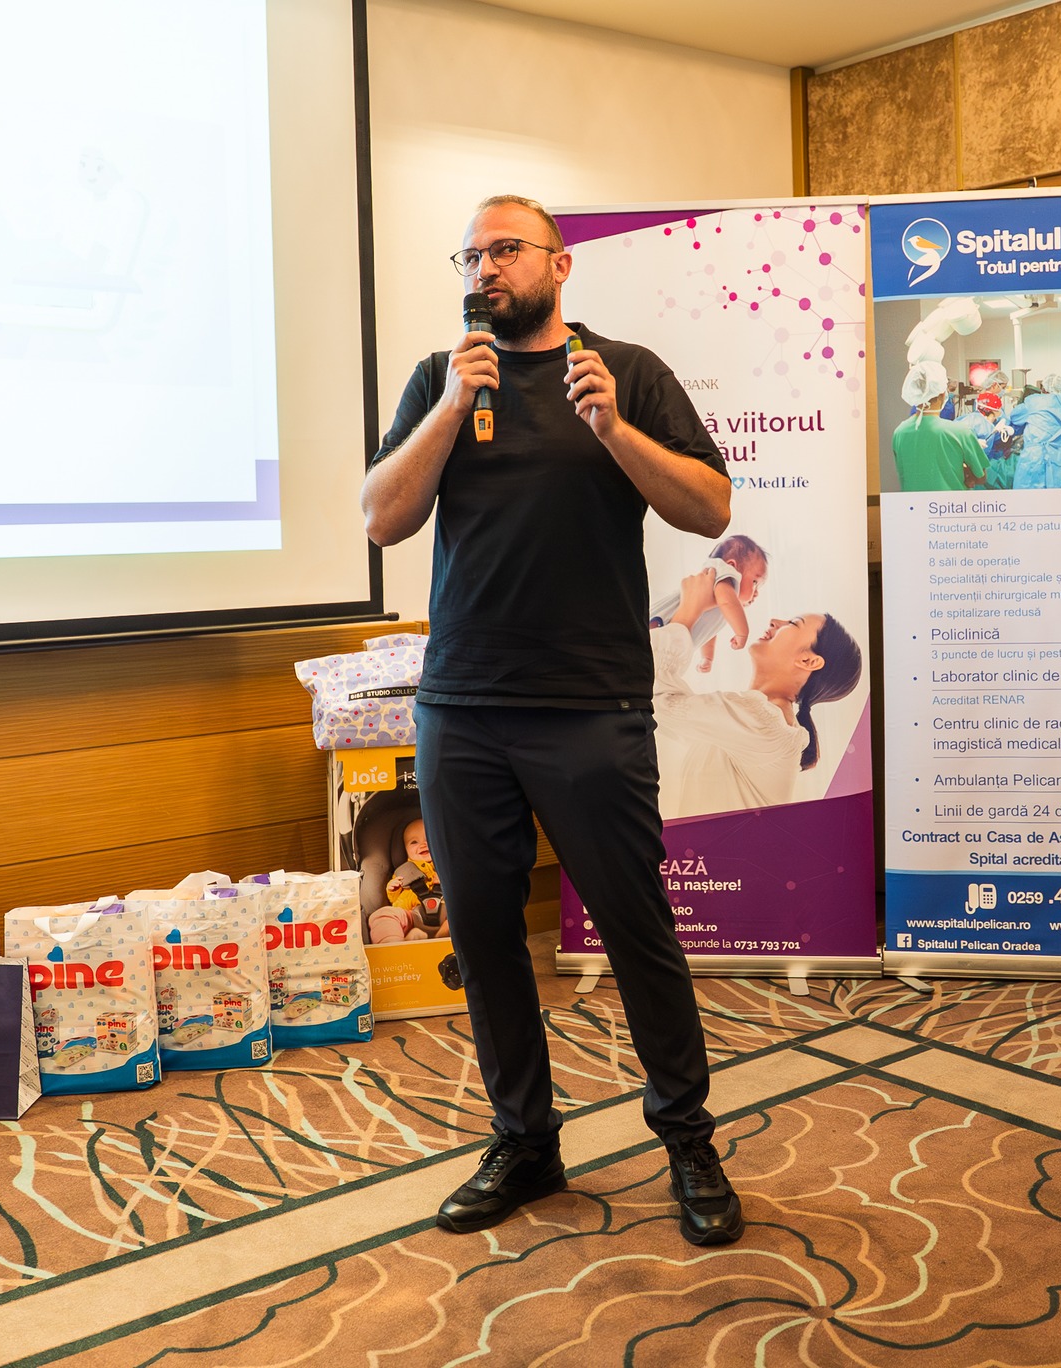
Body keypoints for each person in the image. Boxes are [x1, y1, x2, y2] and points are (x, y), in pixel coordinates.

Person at [359, 194, 744, 1247]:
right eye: (469, 256)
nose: (484, 269)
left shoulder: (627, 372)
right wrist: (451, 406)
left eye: (504, 251)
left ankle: (688, 1141)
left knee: (636, 931)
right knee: (486, 940)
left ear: (559, 264)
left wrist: (612, 428)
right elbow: (382, 517)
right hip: (464, 708)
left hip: (590, 705)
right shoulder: (441, 378)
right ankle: (524, 1141)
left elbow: (709, 509)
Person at [652, 568, 864, 819]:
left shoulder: (763, 723)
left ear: (808, 661)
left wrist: (689, 611)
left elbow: (656, 701)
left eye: (793, 623)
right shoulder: (761, 721)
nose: (775, 621)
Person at [649, 533, 768, 675]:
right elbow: (727, 602)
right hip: (660, 626)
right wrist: (742, 632)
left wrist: (707, 657)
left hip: (665, 640)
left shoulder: (721, 601)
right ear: (732, 566)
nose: (756, 592)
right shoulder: (723, 574)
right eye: (755, 582)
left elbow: (710, 630)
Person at [892, 361, 988, 491]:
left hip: (913, 503)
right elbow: (980, 477)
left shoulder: (899, 432)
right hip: (950, 503)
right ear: (943, 394)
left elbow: (907, 472)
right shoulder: (960, 432)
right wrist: (964, 470)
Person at [372, 817, 446, 943]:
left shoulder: (448, 865)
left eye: (429, 838)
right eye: (414, 842)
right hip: (412, 915)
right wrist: (393, 889)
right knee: (382, 915)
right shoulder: (404, 872)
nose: (423, 844)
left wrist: (447, 881)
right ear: (405, 850)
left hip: (447, 913)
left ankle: (442, 936)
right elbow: (395, 899)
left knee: (468, 910)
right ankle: (393, 944)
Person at [1009, 374, 1061, 489]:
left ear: (1043, 388)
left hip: (1035, 453)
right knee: (1051, 488)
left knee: (1027, 488)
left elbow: (1015, 417)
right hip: (1057, 454)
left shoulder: (1034, 401)